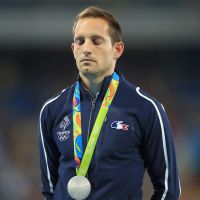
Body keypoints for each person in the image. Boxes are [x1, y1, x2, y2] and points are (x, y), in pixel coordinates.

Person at [39, 6, 181, 200]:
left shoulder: (146, 108)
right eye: (80, 41)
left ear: (117, 49)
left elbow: (168, 190)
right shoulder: (52, 110)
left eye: (96, 41)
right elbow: (49, 189)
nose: (86, 48)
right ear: (73, 50)